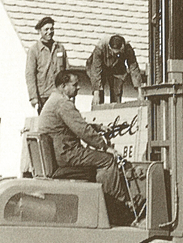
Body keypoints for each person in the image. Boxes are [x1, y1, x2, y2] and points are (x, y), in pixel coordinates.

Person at [38, 70, 130, 223]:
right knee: (107, 160)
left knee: (101, 158)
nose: (78, 88)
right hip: (67, 154)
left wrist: (97, 127)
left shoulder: (53, 101)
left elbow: (72, 126)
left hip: (60, 152)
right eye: (75, 85)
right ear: (63, 86)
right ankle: (115, 208)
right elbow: (81, 130)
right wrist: (105, 147)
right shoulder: (63, 103)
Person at [25, 16, 68, 114]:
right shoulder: (34, 50)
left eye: (52, 28)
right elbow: (30, 75)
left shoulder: (60, 48)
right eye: (46, 29)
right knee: (47, 124)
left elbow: (67, 72)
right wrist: (34, 98)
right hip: (44, 96)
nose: (50, 32)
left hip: (60, 94)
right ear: (40, 31)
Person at [86, 34, 143, 105]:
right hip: (100, 68)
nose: (115, 55)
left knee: (117, 92)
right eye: (113, 53)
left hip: (117, 68)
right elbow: (95, 70)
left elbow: (134, 68)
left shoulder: (127, 48)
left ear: (122, 46)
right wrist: (96, 92)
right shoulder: (100, 47)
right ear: (109, 48)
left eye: (118, 53)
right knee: (98, 94)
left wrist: (140, 92)